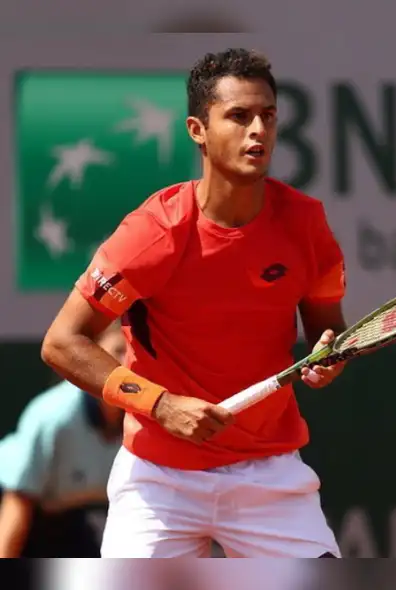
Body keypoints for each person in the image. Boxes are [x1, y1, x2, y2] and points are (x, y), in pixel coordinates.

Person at [40, 48, 349, 558]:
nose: (258, 130)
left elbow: (327, 332)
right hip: (159, 480)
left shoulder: (306, 224)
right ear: (196, 130)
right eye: (238, 116)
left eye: (267, 116)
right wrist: (159, 405)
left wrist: (328, 360)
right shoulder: (154, 232)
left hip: (269, 475)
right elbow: (61, 343)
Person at [0, 323, 126, 557]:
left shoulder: (147, 420)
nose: (126, 362)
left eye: (133, 353)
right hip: (28, 520)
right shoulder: (52, 415)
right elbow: (16, 506)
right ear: (92, 355)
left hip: (81, 526)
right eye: (118, 350)